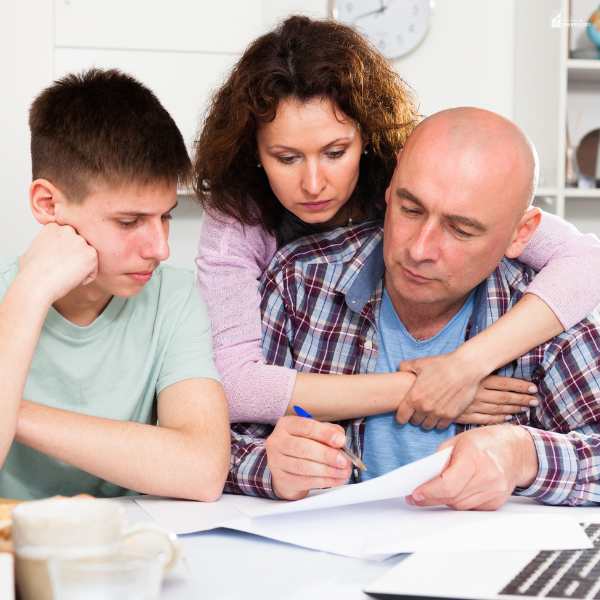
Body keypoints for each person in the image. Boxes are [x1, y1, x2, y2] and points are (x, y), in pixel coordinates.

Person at [194, 15, 600, 432]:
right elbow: (234, 383)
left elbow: (586, 258)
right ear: (253, 151)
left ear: (366, 135)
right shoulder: (238, 222)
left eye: (335, 152)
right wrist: (420, 389)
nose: (313, 184)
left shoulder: (409, 177)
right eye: (286, 158)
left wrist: (465, 367)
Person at [226, 108, 600, 509]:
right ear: (391, 185)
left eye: (461, 230)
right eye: (410, 209)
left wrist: (523, 454)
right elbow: (212, 440)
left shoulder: (549, 310)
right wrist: (269, 465)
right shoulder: (299, 281)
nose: (419, 250)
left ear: (521, 234)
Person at [0, 68, 230, 501]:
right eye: (129, 222)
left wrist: (13, 414)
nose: (161, 249)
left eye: (165, 216)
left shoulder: (173, 297)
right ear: (48, 204)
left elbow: (203, 470)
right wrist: (31, 290)